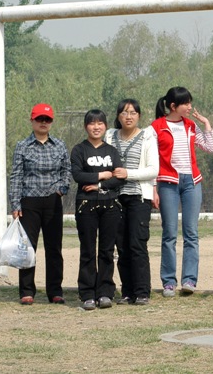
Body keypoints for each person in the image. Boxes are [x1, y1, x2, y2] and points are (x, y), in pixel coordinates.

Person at [152, 87, 213, 297]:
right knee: (169, 234)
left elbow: (210, 148)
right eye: (186, 103)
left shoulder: (190, 125)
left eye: (190, 102)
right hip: (167, 182)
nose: (190, 107)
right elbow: (151, 159)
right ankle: (169, 282)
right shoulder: (156, 127)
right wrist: (153, 188)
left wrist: (206, 124)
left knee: (191, 233)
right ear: (173, 106)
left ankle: (189, 280)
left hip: (192, 182)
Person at [9, 103, 71, 305]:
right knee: (28, 248)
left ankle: (55, 290)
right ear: (32, 120)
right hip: (29, 202)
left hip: (53, 201)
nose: (43, 123)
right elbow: (16, 176)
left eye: (47, 119)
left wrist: (62, 189)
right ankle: (27, 291)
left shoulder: (59, 145)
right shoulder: (23, 146)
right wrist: (15, 204)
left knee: (54, 248)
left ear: (51, 122)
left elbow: (66, 170)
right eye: (39, 119)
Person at [105, 99, 159, 305]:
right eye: (125, 112)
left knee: (137, 244)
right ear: (118, 116)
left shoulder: (147, 136)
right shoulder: (110, 136)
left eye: (133, 113)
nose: (129, 116)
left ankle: (142, 291)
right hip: (115, 198)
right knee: (121, 246)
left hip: (138, 198)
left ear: (139, 116)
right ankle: (127, 292)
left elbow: (153, 170)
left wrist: (128, 174)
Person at [70, 109, 125, 310]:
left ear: (105, 126)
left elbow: (119, 177)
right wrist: (101, 175)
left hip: (110, 205)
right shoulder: (79, 150)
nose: (96, 127)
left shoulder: (111, 151)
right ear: (86, 126)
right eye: (92, 123)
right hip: (86, 204)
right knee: (88, 250)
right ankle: (87, 294)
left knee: (107, 250)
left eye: (100, 123)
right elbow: (78, 175)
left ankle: (105, 292)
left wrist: (99, 185)